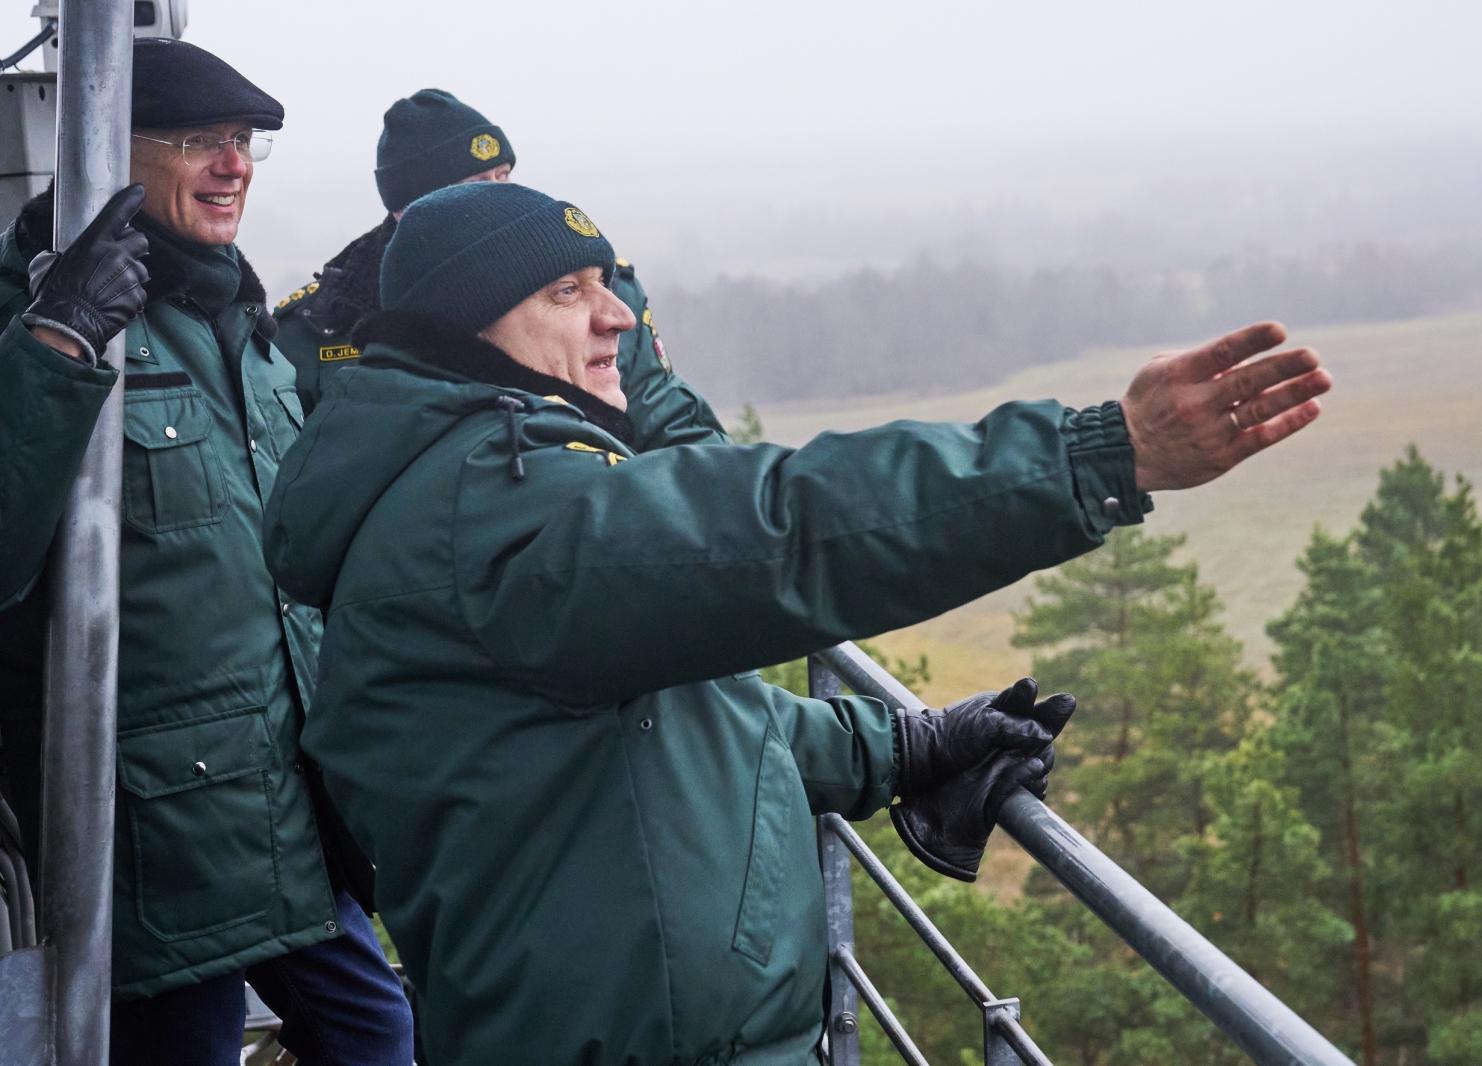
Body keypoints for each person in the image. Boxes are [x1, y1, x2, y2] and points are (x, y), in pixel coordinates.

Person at [258, 181, 1332, 1065]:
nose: (618, 315)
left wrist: (897, 745)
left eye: (607, 282)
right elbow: (783, 530)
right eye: (565, 289)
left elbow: (661, 731)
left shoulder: (476, 489)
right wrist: (1094, 458)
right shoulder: (498, 508)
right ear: (469, 322)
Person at [0, 38, 411, 1064]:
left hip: (283, 804)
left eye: (242, 142)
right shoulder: (34, 319)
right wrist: (57, 341)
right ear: (102, 152)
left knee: (381, 1030)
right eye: (197, 141)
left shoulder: (237, 320)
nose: (232, 165)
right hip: (149, 839)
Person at [272, 88, 724, 450]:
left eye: (504, 176)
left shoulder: (605, 291)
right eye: (475, 186)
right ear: (408, 211)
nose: (503, 196)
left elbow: (674, 425)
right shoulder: (319, 327)